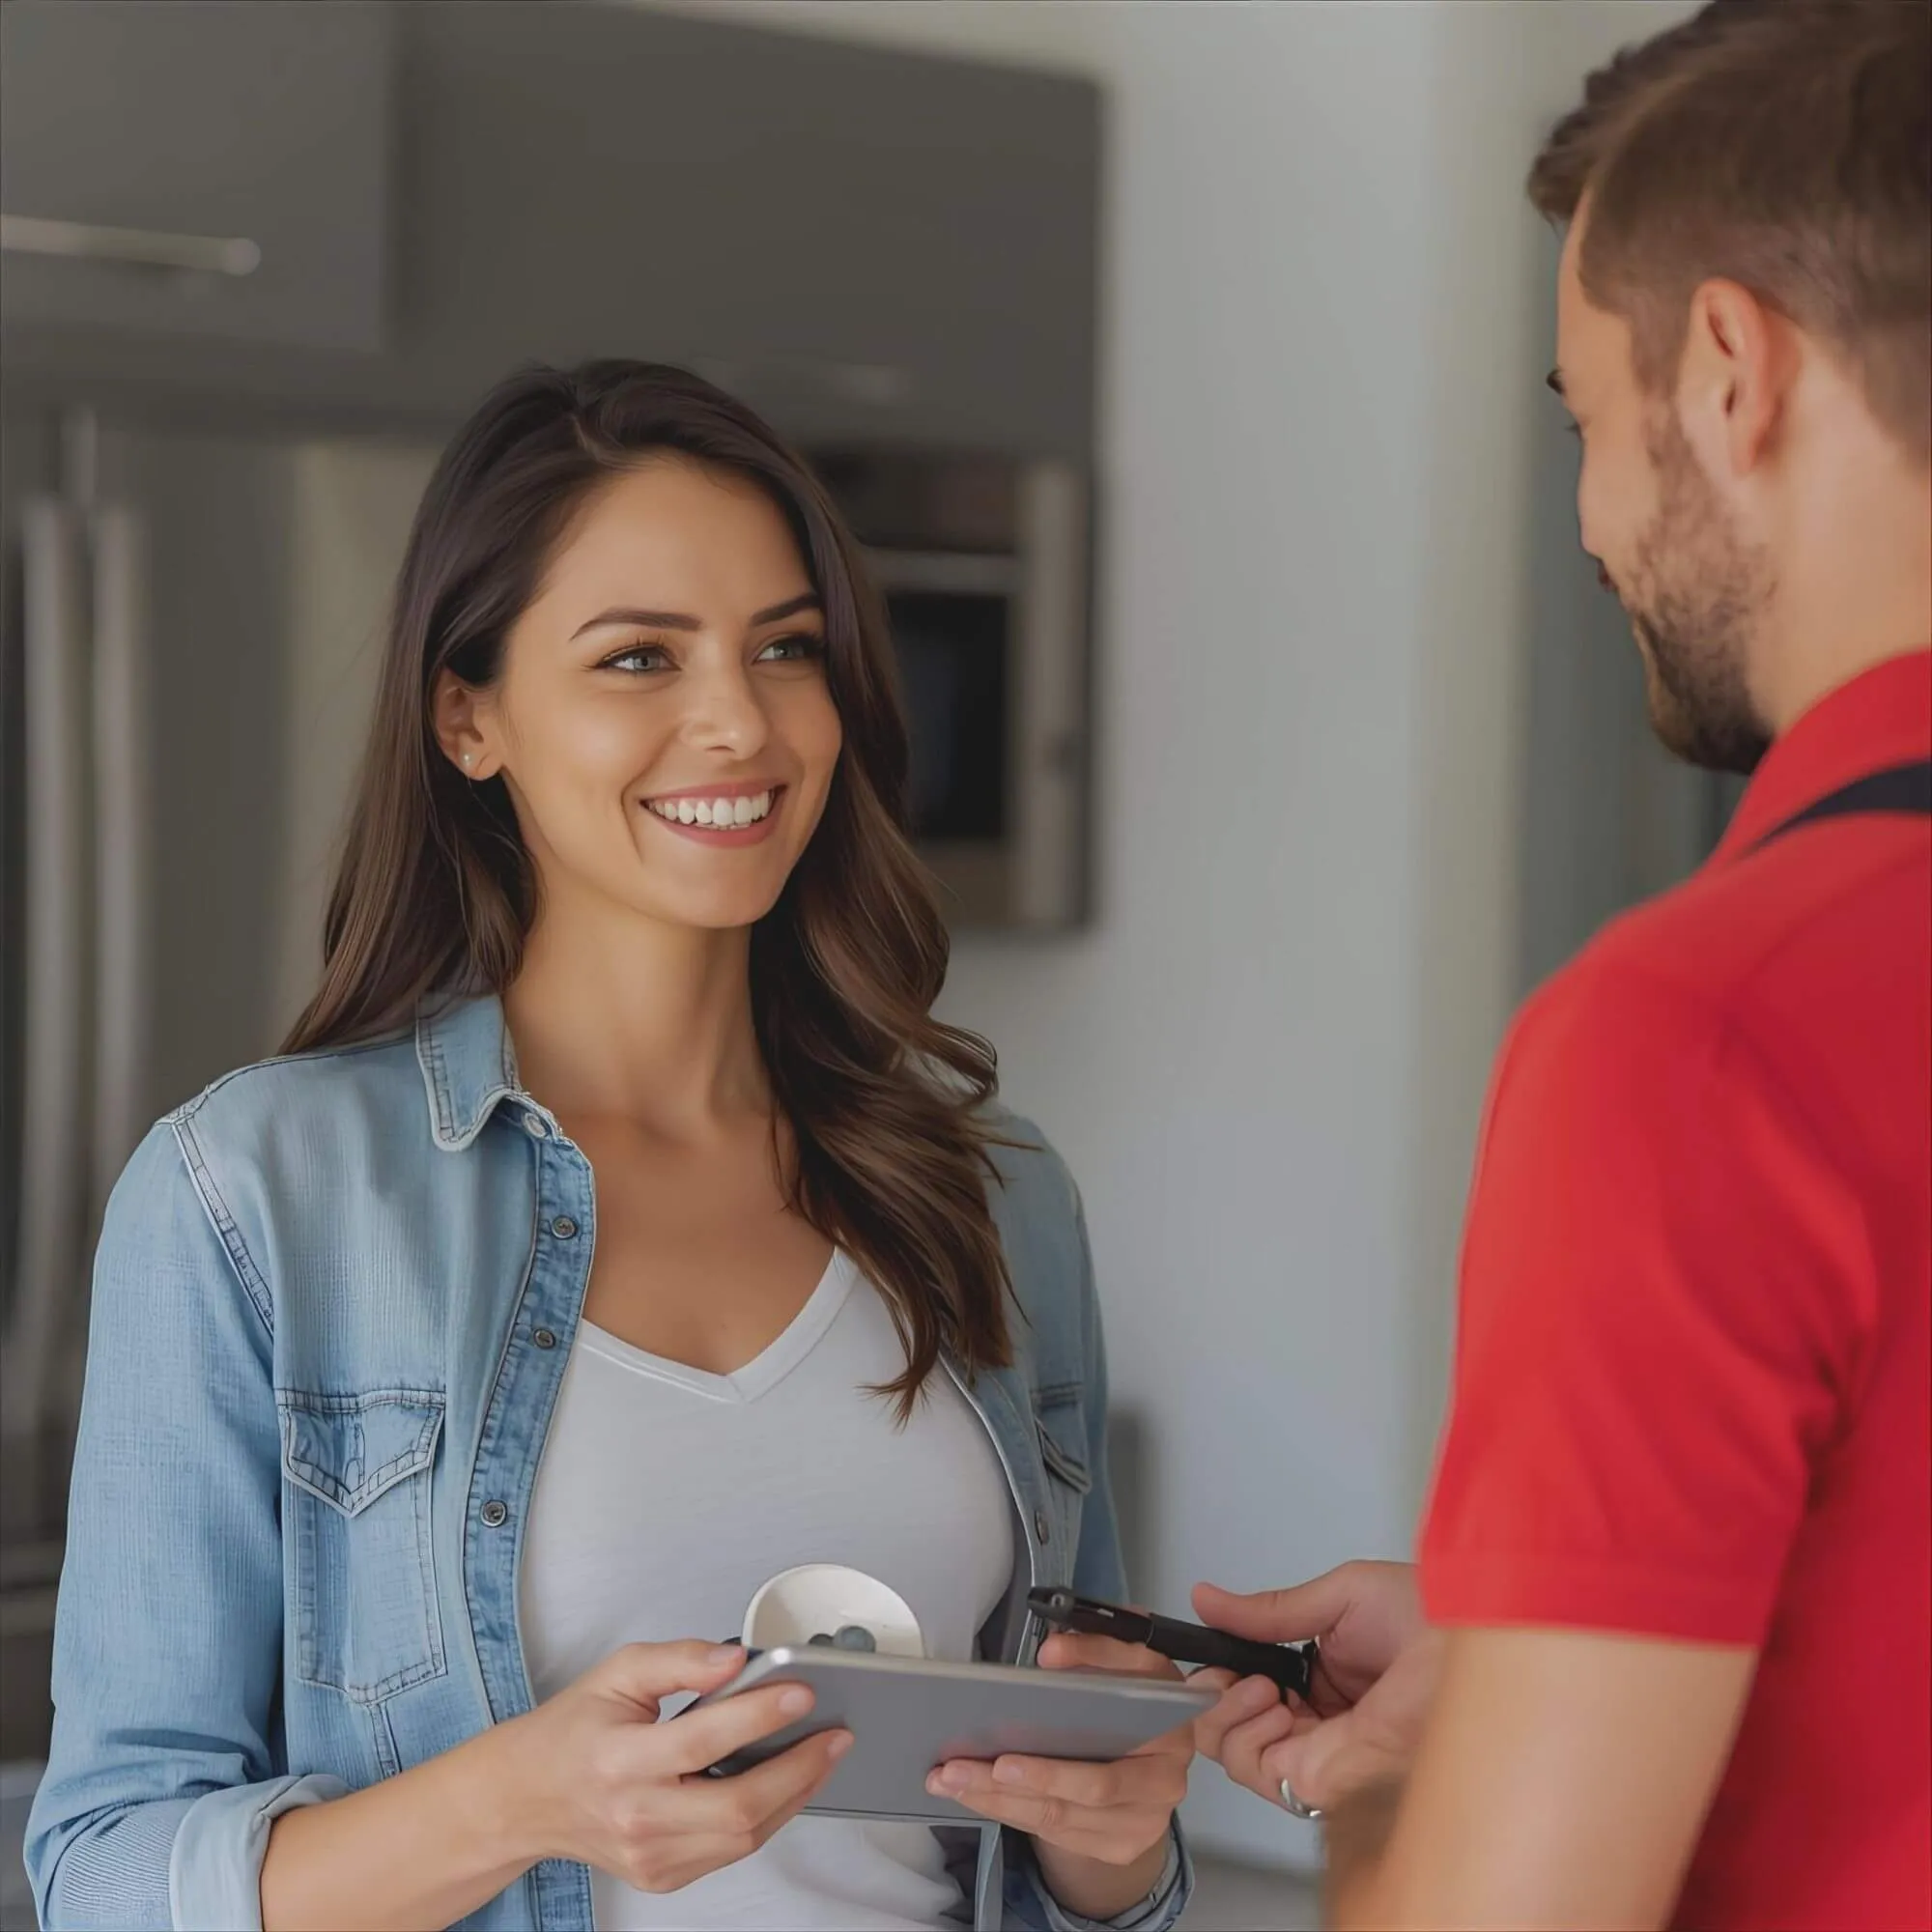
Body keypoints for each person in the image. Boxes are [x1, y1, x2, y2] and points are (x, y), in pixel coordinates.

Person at [24, 362, 1194, 1932]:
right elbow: (101, 1875)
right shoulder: (256, 1194)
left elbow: (1062, 1867)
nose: (740, 721)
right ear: (469, 717)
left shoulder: (994, 1193)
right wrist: (520, 1803)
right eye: (639, 656)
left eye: (787, 647)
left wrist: (1108, 1845)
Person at [1196, 2, 1931, 1926]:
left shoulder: (1701, 1035)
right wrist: (1566, 1625)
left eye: (1582, 420)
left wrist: (1420, 1777)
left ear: (1724, 371)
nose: (1598, 524)